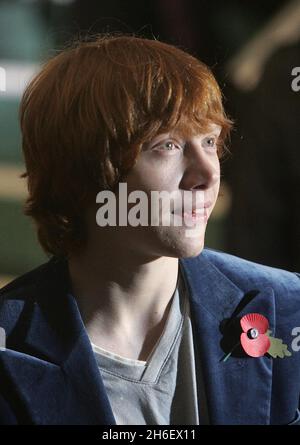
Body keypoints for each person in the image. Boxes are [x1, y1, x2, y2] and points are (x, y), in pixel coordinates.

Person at [0, 35, 299, 426]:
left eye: (210, 141)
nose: (208, 174)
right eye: (168, 145)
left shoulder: (286, 308)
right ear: (87, 169)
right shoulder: (10, 347)